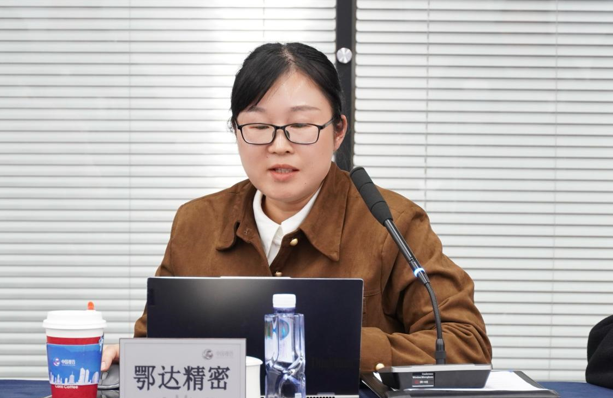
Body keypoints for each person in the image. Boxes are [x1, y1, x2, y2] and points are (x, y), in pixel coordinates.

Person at [102, 42, 492, 373]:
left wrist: (334, 345)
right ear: (236, 131)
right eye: (258, 127)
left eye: (301, 126)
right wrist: (132, 354)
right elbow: (158, 341)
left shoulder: (391, 223)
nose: (279, 145)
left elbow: (465, 345)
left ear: (338, 131)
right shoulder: (196, 222)